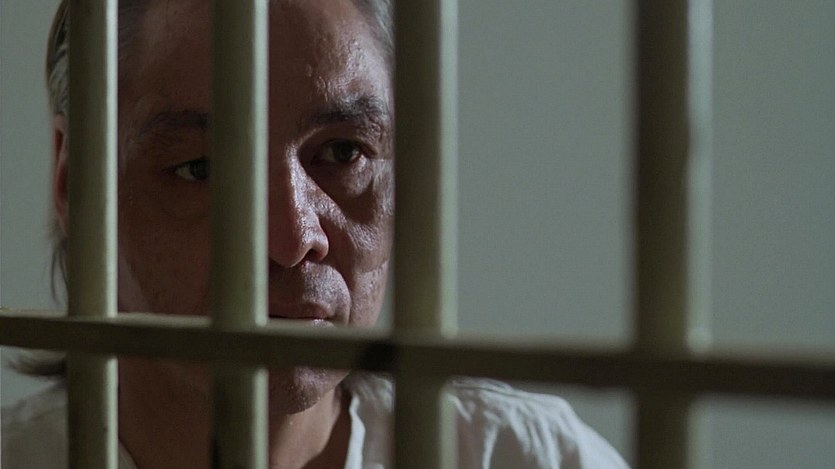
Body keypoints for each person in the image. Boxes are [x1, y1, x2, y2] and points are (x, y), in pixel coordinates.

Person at [2, 1, 629, 468]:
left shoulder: (528, 458)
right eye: (201, 168)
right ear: (72, 182)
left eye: (343, 153)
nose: (292, 238)